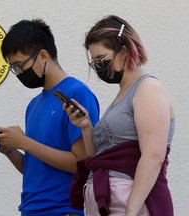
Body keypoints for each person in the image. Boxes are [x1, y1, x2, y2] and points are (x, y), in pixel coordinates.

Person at [0, 18, 99, 216]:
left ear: (43, 56)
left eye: (20, 65)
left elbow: (82, 165)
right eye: (14, 68)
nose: (19, 73)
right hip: (30, 209)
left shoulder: (77, 94)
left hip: (63, 210)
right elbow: (38, 170)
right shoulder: (34, 105)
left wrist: (25, 142)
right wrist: (11, 151)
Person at [64, 15, 175, 216]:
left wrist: (131, 210)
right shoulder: (123, 94)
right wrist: (86, 126)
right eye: (94, 62)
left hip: (129, 203)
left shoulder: (148, 88)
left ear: (124, 51)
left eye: (102, 60)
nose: (98, 67)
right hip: (108, 201)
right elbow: (98, 157)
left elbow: (153, 156)